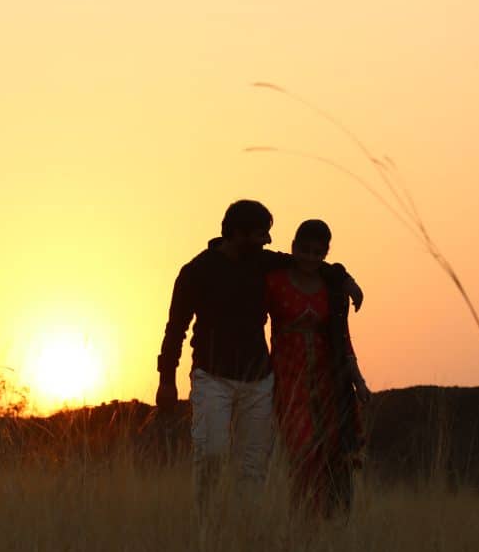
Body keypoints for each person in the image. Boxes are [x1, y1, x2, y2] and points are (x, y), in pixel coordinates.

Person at [156, 200, 362, 518]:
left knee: (253, 468)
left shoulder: (263, 263)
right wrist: (166, 380)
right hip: (211, 377)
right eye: (261, 234)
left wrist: (343, 278)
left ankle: (244, 534)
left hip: (259, 381)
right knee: (211, 453)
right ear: (238, 233)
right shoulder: (196, 271)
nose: (268, 241)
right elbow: (175, 330)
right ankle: (207, 525)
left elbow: (307, 262)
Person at [265, 219, 370, 518]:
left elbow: (343, 338)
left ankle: (324, 522)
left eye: (317, 252)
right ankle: (300, 516)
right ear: (294, 248)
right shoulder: (275, 281)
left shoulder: (331, 288)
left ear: (325, 253)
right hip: (288, 379)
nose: (310, 258)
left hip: (328, 381)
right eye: (305, 250)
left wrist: (358, 381)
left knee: (332, 454)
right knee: (302, 450)